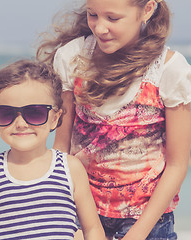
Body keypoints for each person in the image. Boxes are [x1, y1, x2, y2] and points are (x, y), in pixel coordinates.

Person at [36, 0, 191, 239]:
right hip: (82, 210)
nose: (99, 28)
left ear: (147, 10)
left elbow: (177, 164)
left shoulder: (170, 70)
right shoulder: (72, 57)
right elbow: (61, 148)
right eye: (93, 15)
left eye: (113, 18)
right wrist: (60, 210)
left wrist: (138, 233)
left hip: (148, 220)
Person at [0, 59, 105, 240]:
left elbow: (92, 229)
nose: (20, 124)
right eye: (6, 114)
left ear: (55, 118)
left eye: (35, 113)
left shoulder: (70, 168)